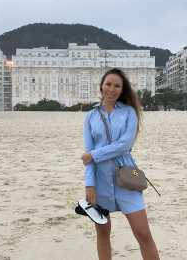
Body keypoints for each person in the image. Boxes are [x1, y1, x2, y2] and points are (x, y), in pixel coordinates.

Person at [81, 68, 160, 260]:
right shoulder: (90, 116)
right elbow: (88, 156)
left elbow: (124, 145)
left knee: (143, 233)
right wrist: (89, 184)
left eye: (117, 86)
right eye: (108, 84)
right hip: (100, 182)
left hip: (127, 177)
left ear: (122, 90)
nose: (112, 89)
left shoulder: (129, 113)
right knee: (102, 233)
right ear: (101, 86)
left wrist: (94, 155)